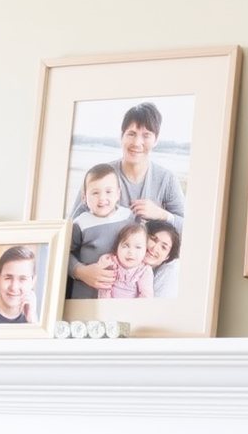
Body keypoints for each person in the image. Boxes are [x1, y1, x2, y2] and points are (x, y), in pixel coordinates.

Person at [71, 103, 185, 296]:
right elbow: (65, 237)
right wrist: (80, 272)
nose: (137, 142)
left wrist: (162, 215)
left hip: (140, 284)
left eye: (146, 135)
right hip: (98, 284)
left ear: (156, 139)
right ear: (121, 136)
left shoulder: (167, 179)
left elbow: (192, 233)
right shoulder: (101, 177)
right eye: (131, 133)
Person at [68, 163, 133, 298]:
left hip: (120, 292)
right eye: (95, 193)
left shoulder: (128, 217)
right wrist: (79, 271)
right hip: (87, 291)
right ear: (84, 198)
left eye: (108, 192)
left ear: (118, 194)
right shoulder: (80, 223)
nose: (102, 198)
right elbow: (65, 254)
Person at [97, 222, 154, 299]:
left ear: (145, 250)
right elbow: (104, 290)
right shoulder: (111, 263)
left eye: (138, 247)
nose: (130, 252)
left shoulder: (144, 270)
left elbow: (146, 295)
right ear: (117, 248)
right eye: (125, 246)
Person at [144, 224, 181, 299]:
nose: (154, 248)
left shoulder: (170, 273)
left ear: (167, 257)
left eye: (163, 247)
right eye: (153, 239)